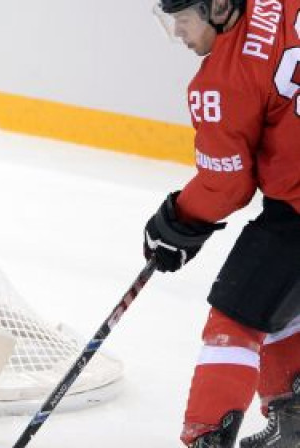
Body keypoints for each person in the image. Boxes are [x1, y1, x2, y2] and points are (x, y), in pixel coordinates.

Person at [146, 0, 300, 446]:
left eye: (182, 18)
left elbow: (227, 185)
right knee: (279, 292)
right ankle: (294, 414)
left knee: (236, 315)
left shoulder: (222, 80)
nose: (176, 31)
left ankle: (208, 437)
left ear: (216, 7)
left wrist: (176, 223)